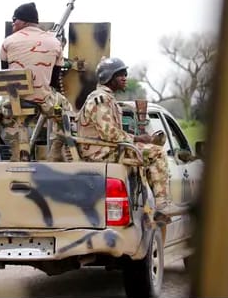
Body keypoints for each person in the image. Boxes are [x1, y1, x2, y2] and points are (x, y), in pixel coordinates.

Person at [75, 57, 187, 219]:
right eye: (120, 74)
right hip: (100, 152)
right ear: (109, 77)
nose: (125, 78)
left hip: (105, 149)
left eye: (125, 74)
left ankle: (157, 206)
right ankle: (163, 205)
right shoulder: (100, 99)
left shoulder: (107, 98)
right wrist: (138, 139)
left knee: (150, 151)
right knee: (155, 152)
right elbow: (109, 133)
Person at [0, 2, 73, 161]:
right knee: (66, 109)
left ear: (24, 21)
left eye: (15, 20)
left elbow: (5, 75)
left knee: (6, 117)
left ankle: (18, 153)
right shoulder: (55, 43)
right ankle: (57, 149)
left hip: (14, 101)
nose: (13, 24)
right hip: (44, 101)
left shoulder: (8, 42)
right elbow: (54, 80)